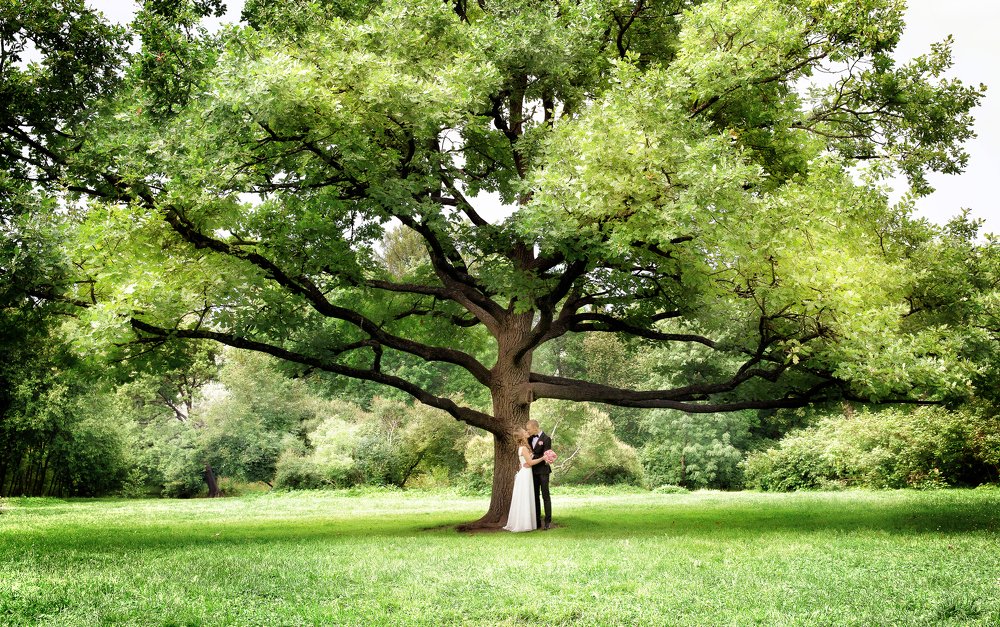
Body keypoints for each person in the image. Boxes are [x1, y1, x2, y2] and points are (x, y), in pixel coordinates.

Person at [503, 427, 537, 532]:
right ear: (522, 436)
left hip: (525, 472)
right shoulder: (524, 448)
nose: (527, 432)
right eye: (524, 431)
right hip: (525, 474)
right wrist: (543, 458)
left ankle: (525, 522)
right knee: (525, 497)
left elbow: (525, 461)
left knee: (524, 497)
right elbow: (530, 463)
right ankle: (524, 524)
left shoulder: (523, 447)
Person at [524, 419, 553, 530]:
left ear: (535, 427)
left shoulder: (546, 439)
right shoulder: (530, 438)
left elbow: (546, 456)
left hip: (543, 471)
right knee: (535, 496)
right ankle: (537, 521)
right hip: (532, 471)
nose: (528, 431)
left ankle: (547, 522)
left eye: (529, 429)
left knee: (545, 495)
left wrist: (531, 460)